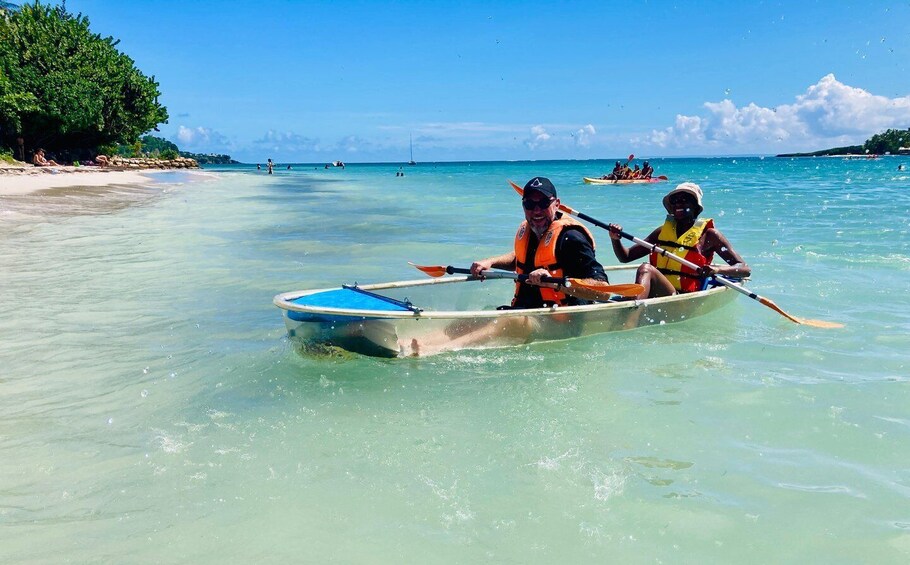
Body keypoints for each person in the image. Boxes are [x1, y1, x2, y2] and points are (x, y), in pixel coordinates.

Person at [471, 176, 608, 309]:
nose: (536, 211)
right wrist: (490, 262)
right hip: (524, 311)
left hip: (560, 320)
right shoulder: (530, 230)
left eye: (543, 203)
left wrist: (554, 283)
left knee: (499, 325)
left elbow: (604, 291)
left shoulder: (571, 239)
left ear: (557, 205)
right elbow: (520, 259)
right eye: (530, 204)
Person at [608, 182, 750, 300]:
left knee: (646, 269)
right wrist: (615, 239)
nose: (677, 204)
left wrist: (717, 269)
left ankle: (631, 318)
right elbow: (625, 257)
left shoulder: (710, 236)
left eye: (683, 200)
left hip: (682, 297)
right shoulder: (661, 232)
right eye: (674, 201)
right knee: (645, 271)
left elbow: (744, 269)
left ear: (695, 206)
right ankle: (633, 306)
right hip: (660, 292)